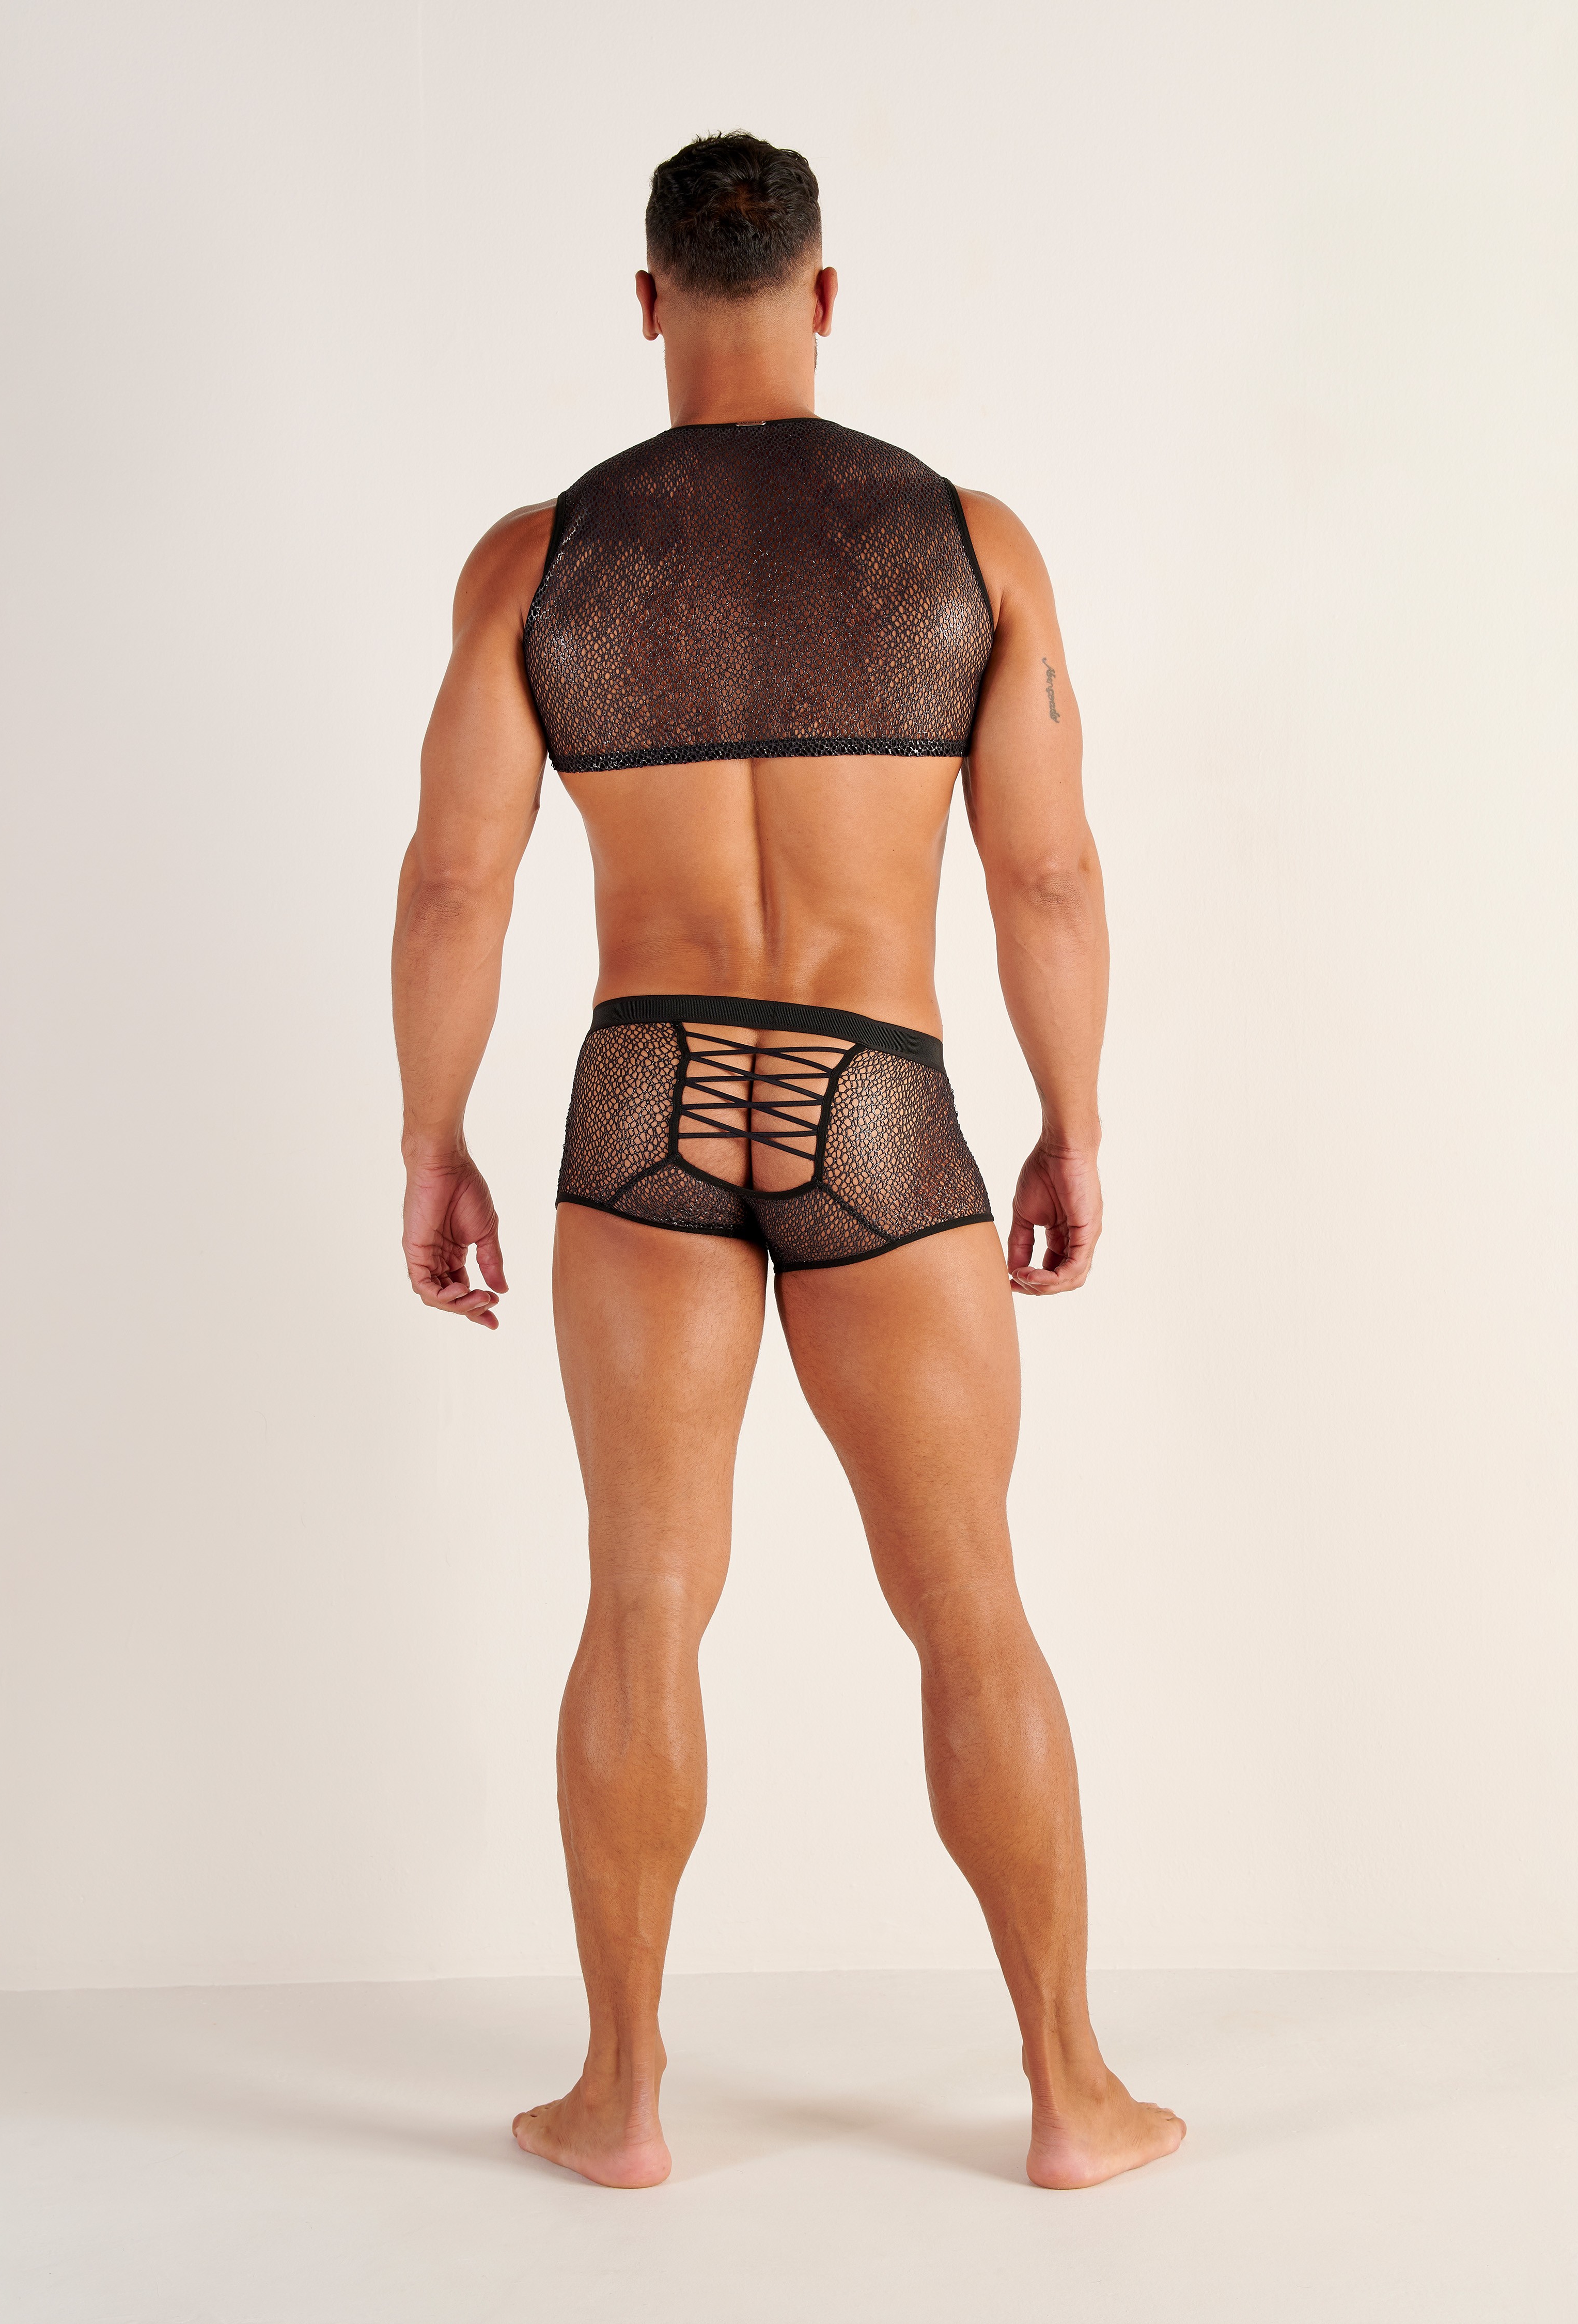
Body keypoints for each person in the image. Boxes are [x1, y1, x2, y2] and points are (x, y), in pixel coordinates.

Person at [392, 131, 1182, 2192]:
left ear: (649, 301)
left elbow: (459, 878)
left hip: (644, 1094)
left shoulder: (540, 558)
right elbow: (1048, 871)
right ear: (824, 295)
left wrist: (433, 1136)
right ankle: (1071, 2096)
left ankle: (621, 2099)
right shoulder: (966, 546)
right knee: (970, 1607)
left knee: (644, 1601)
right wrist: (1073, 1116)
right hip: (878, 1100)